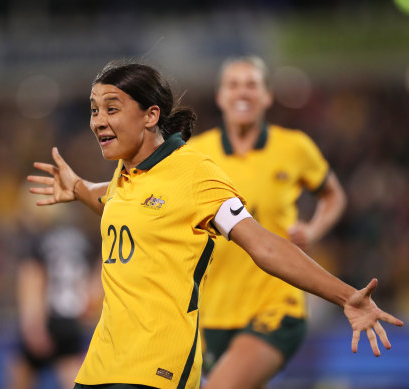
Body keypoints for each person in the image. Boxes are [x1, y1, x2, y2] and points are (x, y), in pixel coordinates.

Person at [27, 61, 403, 389]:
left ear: (150, 115)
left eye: (112, 108)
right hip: (99, 364)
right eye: (94, 110)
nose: (98, 121)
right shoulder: (128, 176)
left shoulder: (194, 173)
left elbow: (264, 245)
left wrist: (345, 296)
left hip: (155, 367)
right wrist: (77, 188)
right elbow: (116, 201)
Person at [187, 55, 347, 389]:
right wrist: (84, 190)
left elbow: (333, 195)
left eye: (251, 84)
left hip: (276, 304)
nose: (242, 92)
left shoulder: (294, 147)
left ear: (267, 96)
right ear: (220, 96)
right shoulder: (195, 155)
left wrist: (313, 230)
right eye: (233, 85)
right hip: (211, 312)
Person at [6, 204, 101, 389]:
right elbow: (99, 275)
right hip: (72, 321)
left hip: (47, 317)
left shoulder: (38, 239)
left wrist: (33, 323)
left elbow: (32, 278)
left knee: (21, 374)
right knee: (72, 379)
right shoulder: (83, 239)